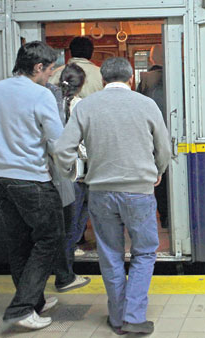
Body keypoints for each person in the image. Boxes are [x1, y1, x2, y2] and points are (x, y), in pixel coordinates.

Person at [53, 57, 171, 335]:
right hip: (139, 192)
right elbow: (163, 148)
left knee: (110, 254)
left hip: (101, 193)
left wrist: (74, 172)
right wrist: (158, 171)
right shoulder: (146, 104)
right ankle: (133, 316)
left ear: (103, 80)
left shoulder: (87, 106)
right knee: (143, 253)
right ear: (131, 78)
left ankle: (117, 318)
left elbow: (62, 149)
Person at [0, 41, 64, 330]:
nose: (51, 75)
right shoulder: (39, 95)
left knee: (19, 242)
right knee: (49, 239)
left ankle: (35, 300)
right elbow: (57, 140)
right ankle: (22, 306)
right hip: (30, 179)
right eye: (50, 69)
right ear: (38, 67)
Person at [48, 64, 93, 286]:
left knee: (66, 223)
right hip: (79, 172)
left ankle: (64, 268)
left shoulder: (50, 102)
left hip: (58, 172)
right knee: (75, 222)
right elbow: (83, 142)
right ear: (81, 85)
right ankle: (65, 275)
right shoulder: (80, 106)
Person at [137, 44, 169, 228]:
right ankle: (170, 217)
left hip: (151, 134)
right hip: (175, 133)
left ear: (151, 59)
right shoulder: (178, 74)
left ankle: (163, 215)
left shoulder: (145, 80)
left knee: (159, 180)